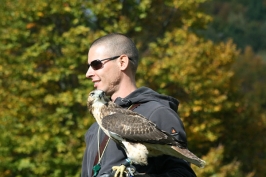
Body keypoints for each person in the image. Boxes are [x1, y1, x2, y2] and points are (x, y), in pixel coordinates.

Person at [81, 33, 197, 177]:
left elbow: (181, 173)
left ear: (122, 62)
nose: (88, 73)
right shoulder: (95, 128)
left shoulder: (157, 112)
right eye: (88, 66)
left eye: (96, 64)